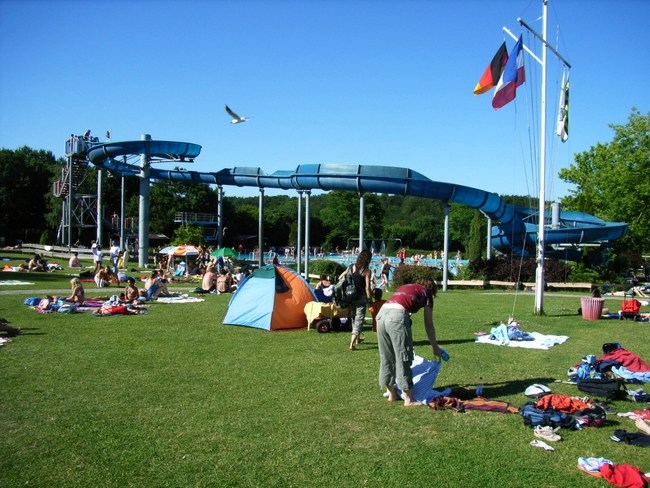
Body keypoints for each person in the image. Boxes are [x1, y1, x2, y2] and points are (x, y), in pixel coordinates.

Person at [376, 277, 442, 407]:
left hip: (381, 314)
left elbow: (403, 303)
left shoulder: (407, 287)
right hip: (396, 316)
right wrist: (435, 347)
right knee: (403, 356)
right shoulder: (426, 294)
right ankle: (408, 399)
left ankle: (391, 394)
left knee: (386, 356)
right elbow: (429, 325)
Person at [338, 249, 373, 351]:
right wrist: (370, 299)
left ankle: (357, 339)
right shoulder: (366, 270)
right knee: (359, 320)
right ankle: (352, 344)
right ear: (368, 259)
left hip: (350, 297)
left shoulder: (351, 266)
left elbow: (341, 277)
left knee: (354, 318)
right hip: (361, 298)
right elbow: (367, 288)